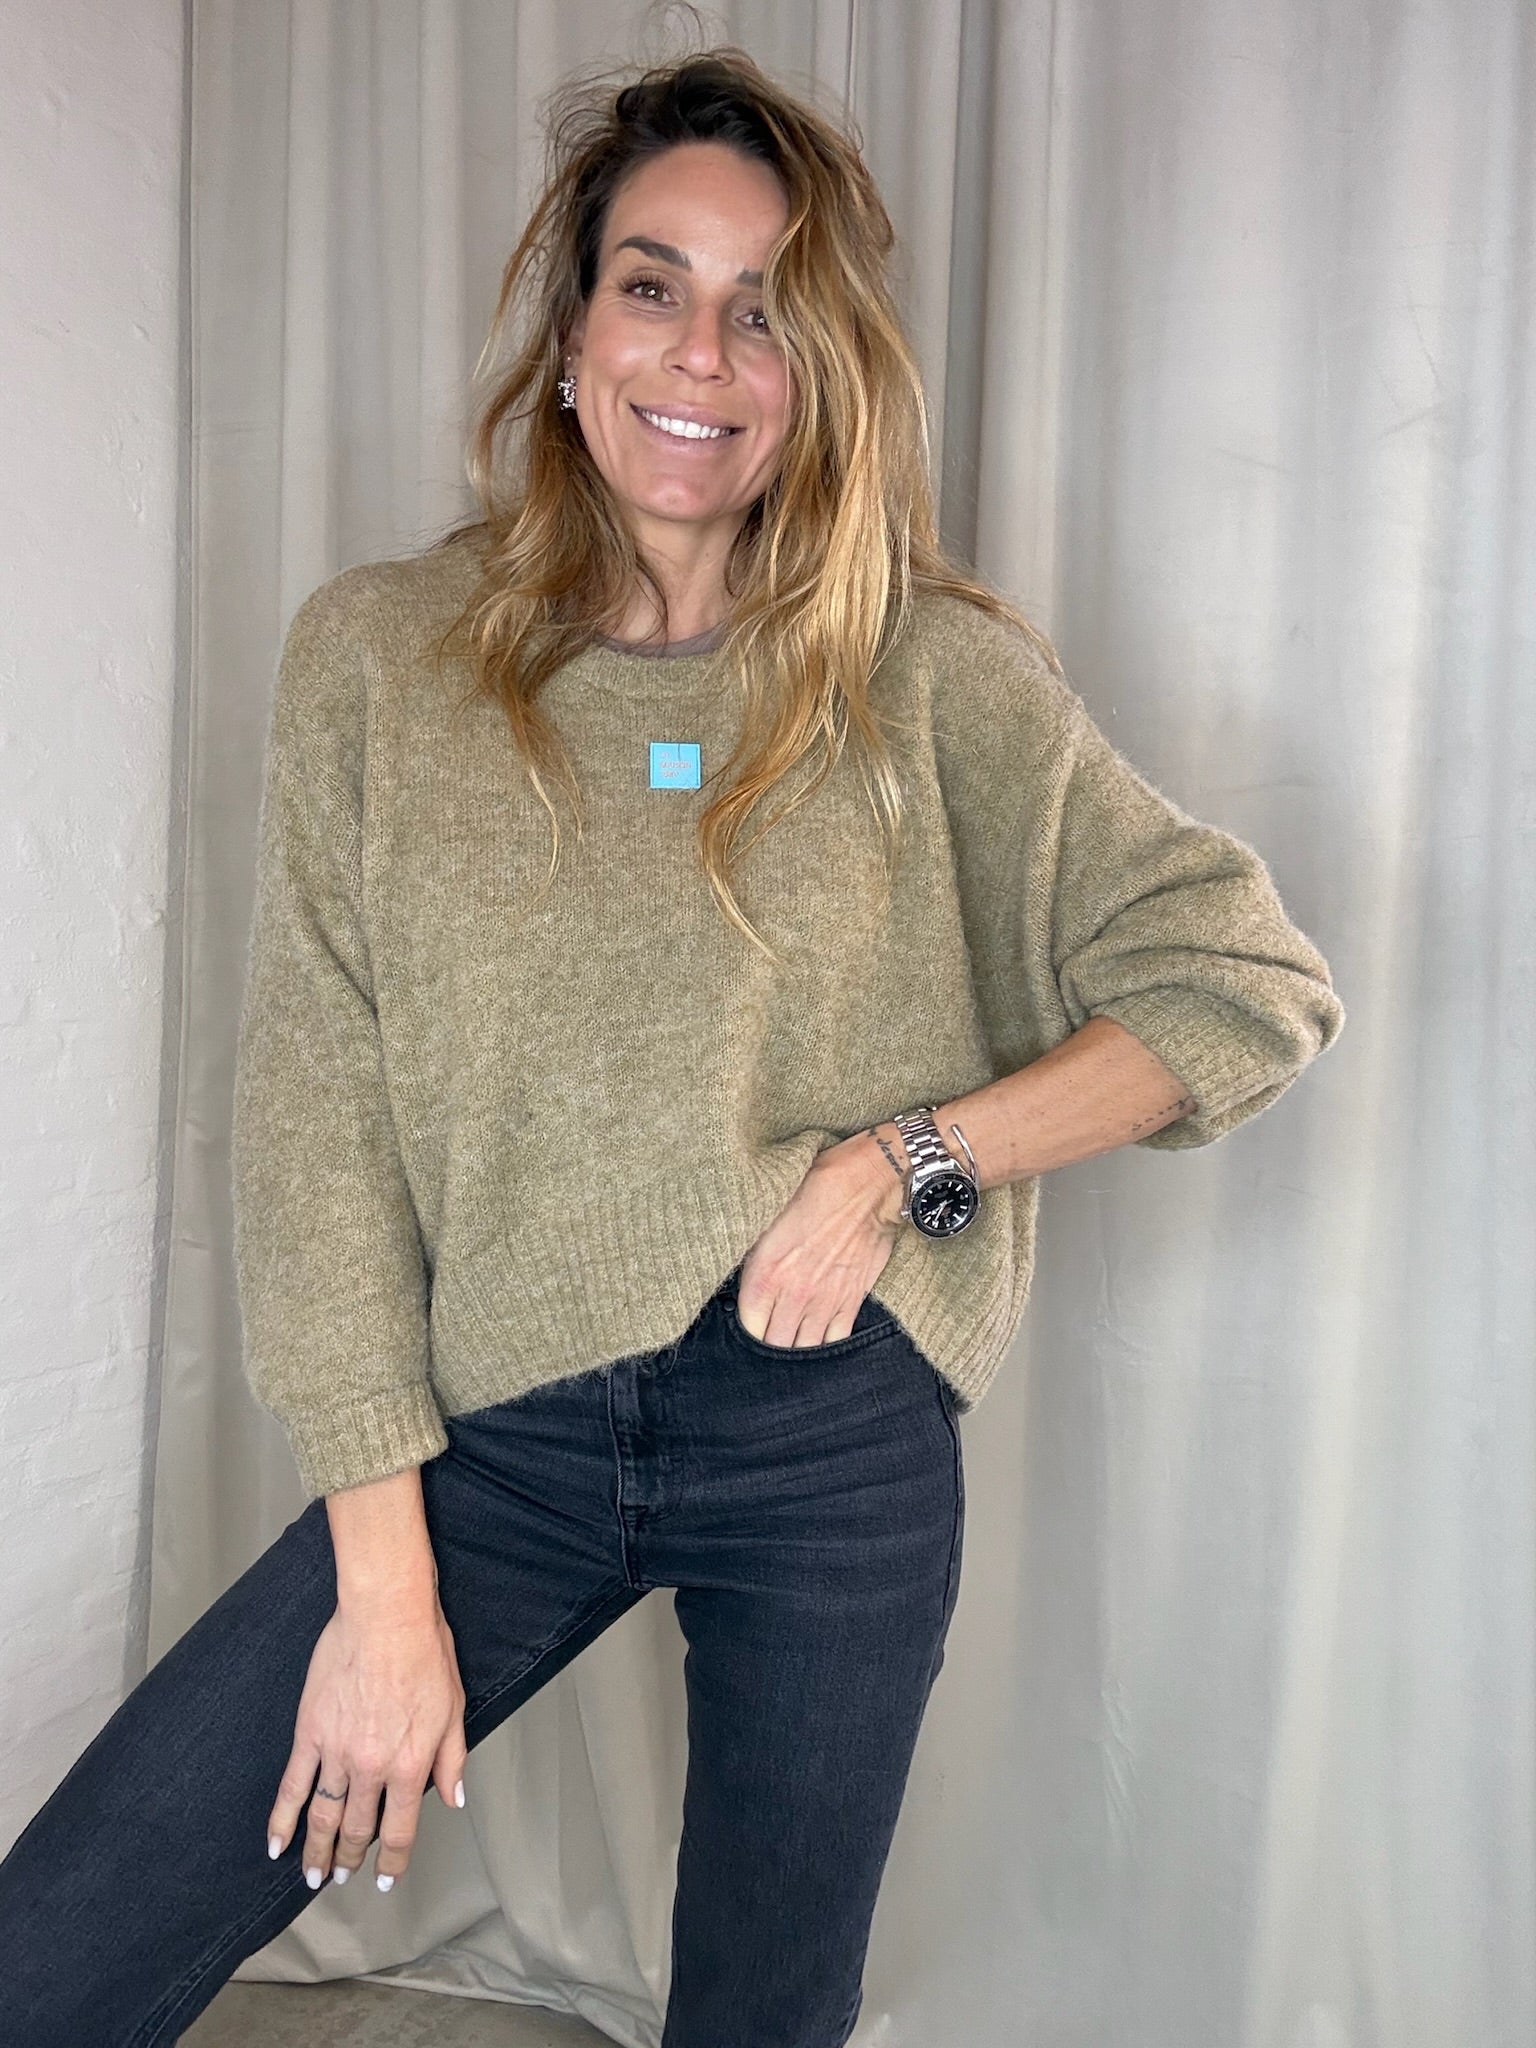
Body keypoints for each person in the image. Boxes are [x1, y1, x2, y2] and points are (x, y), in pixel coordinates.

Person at [0, 42, 1346, 2048]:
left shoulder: (929, 678)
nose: (701, 354)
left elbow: (1244, 982)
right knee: (57, 1956)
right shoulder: (380, 657)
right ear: (571, 341)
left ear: (820, 376)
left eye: (764, 311)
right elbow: (316, 1121)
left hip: (828, 1438)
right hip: (492, 1437)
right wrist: (384, 1586)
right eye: (653, 286)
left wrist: (905, 1163)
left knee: (760, 2019)